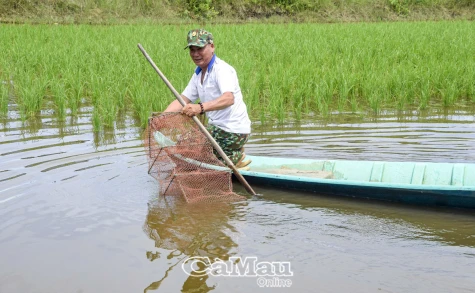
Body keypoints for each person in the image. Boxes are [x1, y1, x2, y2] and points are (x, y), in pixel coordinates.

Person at [164, 28, 251, 169]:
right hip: (216, 129)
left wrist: (200, 108)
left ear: (212, 47)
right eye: (192, 50)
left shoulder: (221, 69)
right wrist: (162, 117)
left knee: (195, 155)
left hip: (233, 130)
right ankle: (229, 153)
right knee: (184, 145)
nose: (196, 54)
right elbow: (183, 99)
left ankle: (234, 157)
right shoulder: (198, 74)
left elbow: (229, 98)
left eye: (200, 49)